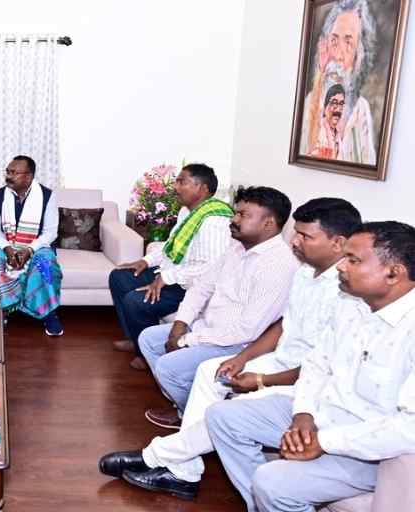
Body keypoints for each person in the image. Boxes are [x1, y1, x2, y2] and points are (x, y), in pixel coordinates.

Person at [98, 198, 361, 501]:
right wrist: (241, 360)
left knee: (221, 413)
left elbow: (321, 367)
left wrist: (261, 379)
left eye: (305, 236)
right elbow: (283, 325)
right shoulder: (306, 272)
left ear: (338, 242)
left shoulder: (346, 291)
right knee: (211, 372)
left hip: (299, 378)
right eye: (296, 233)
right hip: (278, 359)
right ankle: (184, 470)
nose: (295, 241)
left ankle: (159, 458)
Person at [207, 221, 415, 512]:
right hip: (321, 415)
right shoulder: (351, 304)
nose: (341, 266)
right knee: (223, 416)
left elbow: (407, 428)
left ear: (394, 273)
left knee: (271, 482)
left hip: (368, 448)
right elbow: (316, 365)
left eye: (353, 260)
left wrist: (324, 441)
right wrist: (303, 415)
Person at [138, 186, 298, 429]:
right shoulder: (236, 247)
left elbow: (247, 330)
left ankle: (198, 425)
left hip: (238, 343)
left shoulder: (278, 265)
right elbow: (201, 288)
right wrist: (180, 325)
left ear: (269, 223)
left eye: (243, 215)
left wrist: (186, 340)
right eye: (236, 213)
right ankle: (187, 411)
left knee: (168, 368)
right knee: (149, 339)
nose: (234, 220)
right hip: (208, 329)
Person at [110, 164, 233, 370]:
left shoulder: (215, 221)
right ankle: (135, 338)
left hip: (191, 286)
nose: (175, 187)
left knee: (136, 301)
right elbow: (170, 246)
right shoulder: (188, 212)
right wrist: (145, 261)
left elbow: (210, 268)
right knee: (120, 276)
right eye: (176, 181)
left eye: (182, 182)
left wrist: (166, 278)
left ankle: (147, 354)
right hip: (174, 274)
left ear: (203, 188)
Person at [0, 155, 64, 336]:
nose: (8, 176)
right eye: (7, 172)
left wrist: (29, 250)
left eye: (14, 173)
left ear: (29, 177)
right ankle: (1, 309)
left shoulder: (47, 196)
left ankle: (48, 312)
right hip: (6, 244)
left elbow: (50, 232)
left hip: (37, 246)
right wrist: (7, 248)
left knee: (45, 262)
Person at [300, 0, 377, 164]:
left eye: (348, 42)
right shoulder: (309, 104)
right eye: (334, 40)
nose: (338, 55)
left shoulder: (361, 110)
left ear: (359, 55)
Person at [309, 84, 346, 160]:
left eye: (341, 104)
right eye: (334, 103)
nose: (338, 109)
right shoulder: (319, 130)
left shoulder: (338, 134)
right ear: (326, 106)